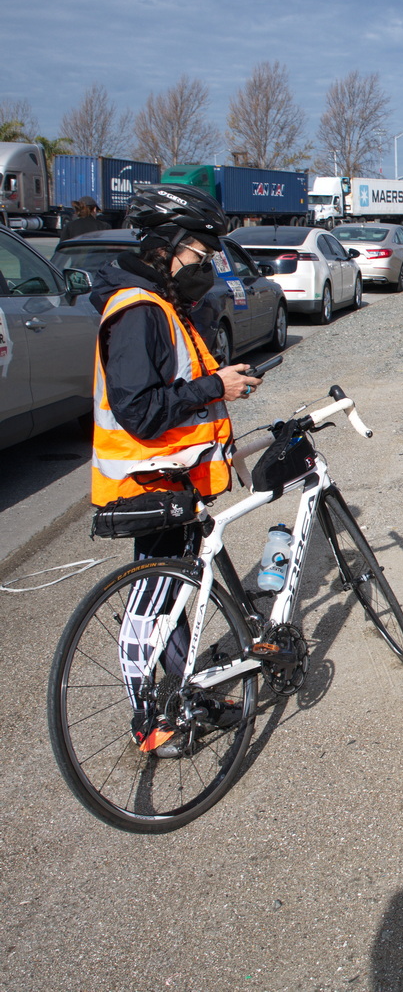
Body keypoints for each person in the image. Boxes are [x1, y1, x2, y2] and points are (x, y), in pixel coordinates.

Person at [89, 183, 266, 754]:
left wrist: (220, 385)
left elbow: (180, 387)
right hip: (145, 484)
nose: (206, 265)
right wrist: (215, 387)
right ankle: (150, 723)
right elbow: (139, 412)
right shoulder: (138, 312)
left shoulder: (166, 307)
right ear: (164, 248)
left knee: (170, 601)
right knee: (151, 608)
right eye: (200, 252)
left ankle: (190, 698)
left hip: (174, 480)